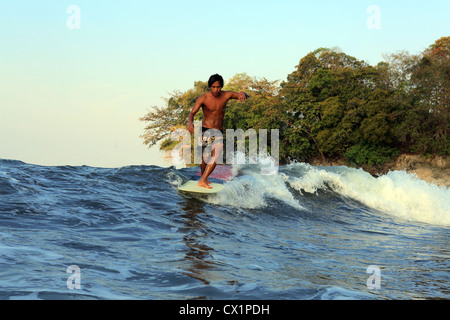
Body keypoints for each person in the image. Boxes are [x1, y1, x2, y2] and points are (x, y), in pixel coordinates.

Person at [187, 74, 248, 189]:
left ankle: (203, 179)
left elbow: (245, 96)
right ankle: (204, 178)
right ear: (210, 86)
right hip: (206, 130)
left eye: (218, 87)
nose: (216, 89)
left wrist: (241, 92)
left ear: (221, 86)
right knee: (205, 159)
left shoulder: (226, 95)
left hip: (218, 131)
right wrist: (190, 123)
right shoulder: (203, 98)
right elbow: (191, 114)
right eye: (214, 87)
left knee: (216, 155)